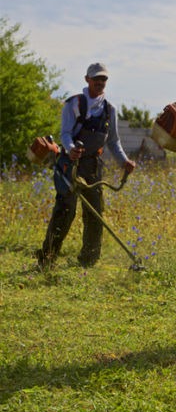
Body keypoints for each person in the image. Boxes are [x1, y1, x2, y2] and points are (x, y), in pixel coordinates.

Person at [36, 63, 136, 269]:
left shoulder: (110, 109)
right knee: (66, 210)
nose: (100, 82)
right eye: (96, 78)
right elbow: (64, 133)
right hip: (70, 163)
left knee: (95, 212)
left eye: (104, 79)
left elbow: (113, 141)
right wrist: (71, 148)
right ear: (87, 79)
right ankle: (48, 257)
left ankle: (89, 260)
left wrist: (124, 161)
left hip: (92, 165)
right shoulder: (74, 103)